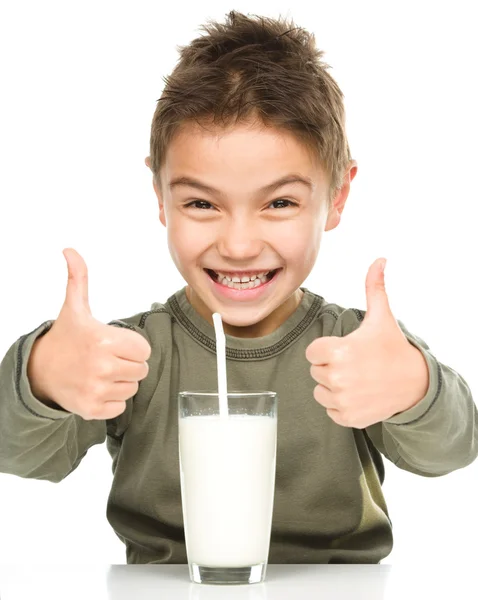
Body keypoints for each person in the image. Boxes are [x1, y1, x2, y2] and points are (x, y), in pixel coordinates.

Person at [0, 10, 477, 565]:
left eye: (280, 203)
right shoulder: (128, 355)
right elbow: (19, 453)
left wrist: (414, 388)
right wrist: (41, 378)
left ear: (337, 197)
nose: (240, 245)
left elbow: (452, 449)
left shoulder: (356, 346)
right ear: (159, 195)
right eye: (201, 203)